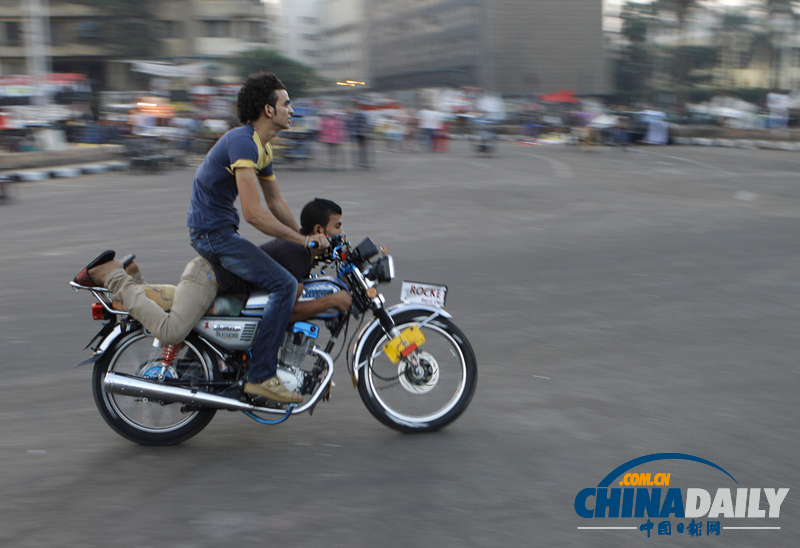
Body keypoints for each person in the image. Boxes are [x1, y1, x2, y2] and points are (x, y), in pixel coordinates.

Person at [186, 72, 329, 403]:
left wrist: (304, 239)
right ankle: (262, 376)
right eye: (287, 103)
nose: (292, 110)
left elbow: (275, 203)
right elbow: (254, 213)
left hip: (220, 232)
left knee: (273, 278)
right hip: (213, 235)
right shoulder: (242, 142)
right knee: (285, 285)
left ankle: (245, 355)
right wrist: (302, 241)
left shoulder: (262, 149)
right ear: (268, 109)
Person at [80, 198, 351, 367]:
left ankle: (134, 278)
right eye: (337, 226)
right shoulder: (297, 253)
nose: (342, 232)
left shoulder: (300, 254)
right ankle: (113, 275)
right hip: (208, 278)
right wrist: (332, 300)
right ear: (319, 230)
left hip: (212, 282)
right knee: (172, 331)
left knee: (175, 305)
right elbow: (287, 311)